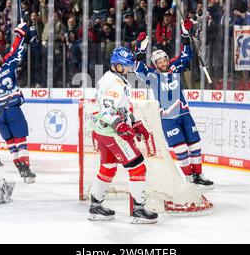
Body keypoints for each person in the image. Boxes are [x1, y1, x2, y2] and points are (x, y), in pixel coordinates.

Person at [135, 20, 214, 188]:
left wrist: (185, 34)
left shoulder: (175, 68)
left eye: (165, 60)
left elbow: (186, 56)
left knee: (195, 144)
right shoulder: (152, 76)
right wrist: (140, 49)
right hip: (168, 118)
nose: (164, 63)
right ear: (155, 65)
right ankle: (189, 178)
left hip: (184, 114)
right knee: (180, 150)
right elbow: (138, 70)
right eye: (160, 62)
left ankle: (198, 174)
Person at [89, 46, 158, 224]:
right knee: (138, 167)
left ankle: (95, 206)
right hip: (113, 133)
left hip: (103, 132)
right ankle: (139, 210)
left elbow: (122, 108)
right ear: (116, 65)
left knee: (108, 168)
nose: (128, 68)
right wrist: (120, 125)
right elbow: (107, 110)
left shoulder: (113, 78)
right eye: (125, 65)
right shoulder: (114, 83)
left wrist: (133, 122)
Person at [0, 22, 36, 184]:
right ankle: (26, 171)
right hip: (12, 109)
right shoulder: (7, 65)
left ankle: (20, 169)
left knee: (11, 143)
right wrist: (20, 33)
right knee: (21, 141)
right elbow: (15, 51)